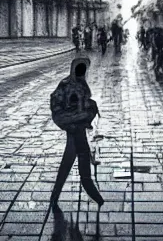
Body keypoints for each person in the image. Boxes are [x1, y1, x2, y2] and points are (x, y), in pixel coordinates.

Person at [50, 56, 104, 211]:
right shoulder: (70, 85)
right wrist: (79, 116)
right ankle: (97, 198)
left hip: (76, 129)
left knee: (68, 164)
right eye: (81, 70)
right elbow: (63, 105)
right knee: (77, 166)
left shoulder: (73, 83)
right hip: (75, 130)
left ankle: (55, 196)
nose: (82, 72)